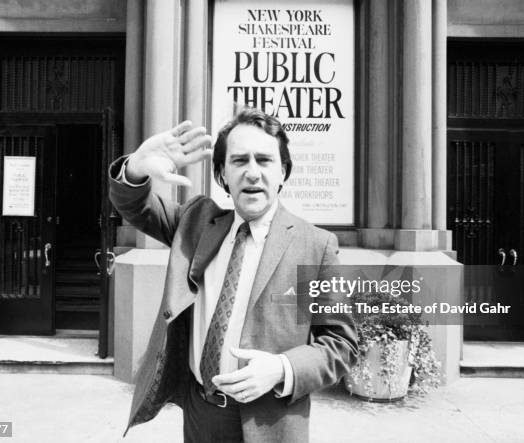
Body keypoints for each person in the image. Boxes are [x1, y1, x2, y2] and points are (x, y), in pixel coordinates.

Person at [110, 108, 358, 442]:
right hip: (201, 413)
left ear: (283, 172)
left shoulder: (316, 246)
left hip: (271, 424)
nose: (252, 173)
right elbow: (135, 208)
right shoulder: (196, 223)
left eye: (265, 160)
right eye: (239, 161)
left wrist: (282, 369)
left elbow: (341, 345)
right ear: (222, 175)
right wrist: (137, 167)